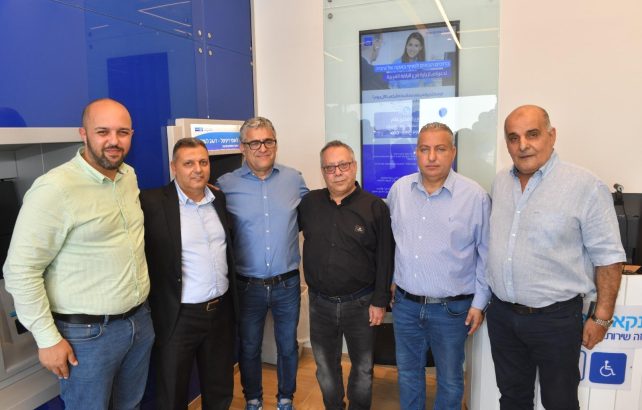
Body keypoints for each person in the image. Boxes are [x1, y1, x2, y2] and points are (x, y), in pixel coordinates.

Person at [3, 98, 154, 409]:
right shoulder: (55, 188)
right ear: (83, 134)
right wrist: (47, 339)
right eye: (102, 131)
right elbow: (20, 269)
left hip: (139, 322)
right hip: (87, 337)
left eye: (122, 132)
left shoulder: (128, 176)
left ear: (131, 135)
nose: (114, 141)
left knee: (132, 405)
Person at [486, 105, 625, 410]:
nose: (523, 145)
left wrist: (601, 317)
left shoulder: (585, 186)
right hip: (502, 316)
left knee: (560, 402)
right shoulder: (501, 182)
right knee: (511, 398)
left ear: (552, 136)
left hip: (555, 320)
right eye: (513, 138)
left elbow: (609, 257)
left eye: (532, 134)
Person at [386, 122, 490, 410]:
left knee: (450, 379)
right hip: (406, 306)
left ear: (453, 152)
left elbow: (486, 253)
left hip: (452, 310)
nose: (432, 157)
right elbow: (393, 242)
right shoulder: (399, 190)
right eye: (424, 149)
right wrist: (393, 279)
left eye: (440, 149)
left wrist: (479, 303)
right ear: (416, 153)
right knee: (408, 374)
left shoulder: (475, 196)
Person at [217, 117, 308, 410]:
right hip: (247, 286)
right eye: (254, 142)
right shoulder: (225, 185)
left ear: (275, 144)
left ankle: (285, 399)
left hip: (287, 284)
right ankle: (253, 399)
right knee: (248, 347)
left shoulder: (294, 179)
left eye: (268, 141)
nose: (262, 148)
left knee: (288, 346)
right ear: (242, 147)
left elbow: (314, 218)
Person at [140, 138, 237, 410]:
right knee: (172, 393)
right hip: (178, 316)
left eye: (203, 162)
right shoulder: (151, 203)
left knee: (219, 389)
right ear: (174, 167)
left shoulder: (218, 199)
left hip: (220, 312)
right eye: (189, 163)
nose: (198, 169)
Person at [299, 140, 394, 410]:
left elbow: (385, 258)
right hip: (320, 304)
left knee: (363, 369)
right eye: (330, 167)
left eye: (343, 165)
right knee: (325, 367)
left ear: (354, 166)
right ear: (323, 171)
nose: (337, 172)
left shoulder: (375, 207)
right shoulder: (310, 204)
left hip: (361, 304)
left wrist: (380, 301)